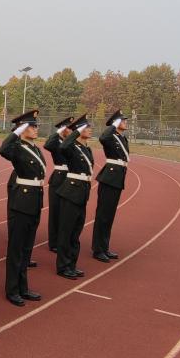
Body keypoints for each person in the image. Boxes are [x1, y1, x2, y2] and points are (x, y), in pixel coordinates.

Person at [0, 109, 46, 306]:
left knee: (27, 248)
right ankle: (12, 290)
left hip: (34, 201)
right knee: (16, 248)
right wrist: (17, 131)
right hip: (21, 203)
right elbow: (3, 149)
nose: (36, 129)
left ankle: (23, 287)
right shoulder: (17, 148)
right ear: (22, 128)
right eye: (31, 126)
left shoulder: (35, 148)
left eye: (36, 125)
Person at [56, 114, 94, 280]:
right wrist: (76, 132)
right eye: (86, 127)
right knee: (67, 231)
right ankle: (63, 266)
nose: (90, 129)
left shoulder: (86, 148)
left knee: (75, 232)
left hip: (82, 192)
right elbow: (63, 146)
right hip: (71, 193)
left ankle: (71, 263)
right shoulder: (71, 147)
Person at [92, 110, 129, 262]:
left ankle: (104, 247)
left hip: (117, 179)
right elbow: (102, 137)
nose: (126, 122)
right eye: (122, 120)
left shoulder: (122, 137)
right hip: (109, 179)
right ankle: (98, 249)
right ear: (116, 123)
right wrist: (113, 126)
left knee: (109, 216)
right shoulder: (110, 137)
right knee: (103, 215)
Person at [43, 116, 74, 253]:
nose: (72, 130)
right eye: (69, 128)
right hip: (59, 178)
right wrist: (58, 132)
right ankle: (54, 242)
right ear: (63, 129)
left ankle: (64, 239)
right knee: (56, 211)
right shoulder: (56, 142)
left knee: (67, 211)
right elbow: (47, 145)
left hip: (70, 177)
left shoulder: (70, 142)